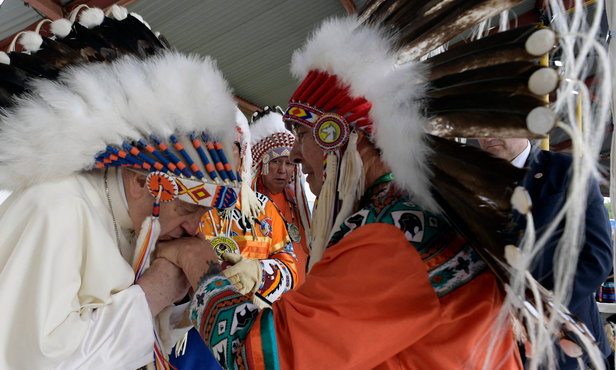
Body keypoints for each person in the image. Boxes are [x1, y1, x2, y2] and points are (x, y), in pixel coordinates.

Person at [155, 15, 546, 369]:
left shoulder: (393, 234)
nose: (294, 156)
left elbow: (264, 356)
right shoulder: (407, 214)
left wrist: (203, 267)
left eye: (304, 135)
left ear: (343, 140)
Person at [0, 6, 243, 369]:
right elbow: (45, 362)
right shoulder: (57, 207)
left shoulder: (136, 219)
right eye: (186, 210)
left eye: (203, 216)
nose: (196, 230)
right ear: (140, 182)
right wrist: (152, 293)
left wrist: (185, 288)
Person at [478, 137, 614, 369]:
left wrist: (536, 310)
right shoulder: (469, 179)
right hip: (490, 338)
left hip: (563, 339)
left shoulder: (570, 171)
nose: (487, 136)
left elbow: (597, 258)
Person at [200, 110, 298, 306]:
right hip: (196, 320)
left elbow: (290, 269)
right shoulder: (185, 205)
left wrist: (259, 273)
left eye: (230, 147)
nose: (220, 156)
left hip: (254, 317)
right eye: (213, 147)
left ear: (242, 153)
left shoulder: (265, 208)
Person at [248, 107, 311, 281]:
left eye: (289, 163)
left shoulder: (299, 206)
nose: (282, 170)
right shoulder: (249, 205)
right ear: (262, 164)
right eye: (276, 161)